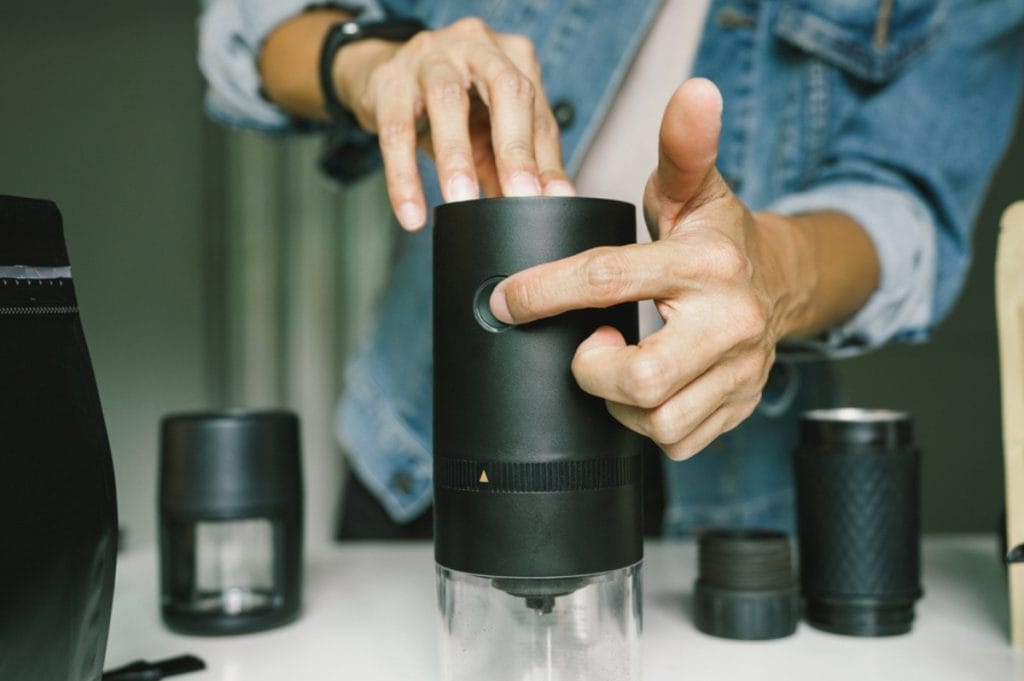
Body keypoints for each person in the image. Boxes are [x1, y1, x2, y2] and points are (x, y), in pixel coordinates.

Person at [199, 0, 1024, 537]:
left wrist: (772, 270)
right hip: (427, 452)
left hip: (723, 475)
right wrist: (370, 64)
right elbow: (253, 26)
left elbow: (909, 201)